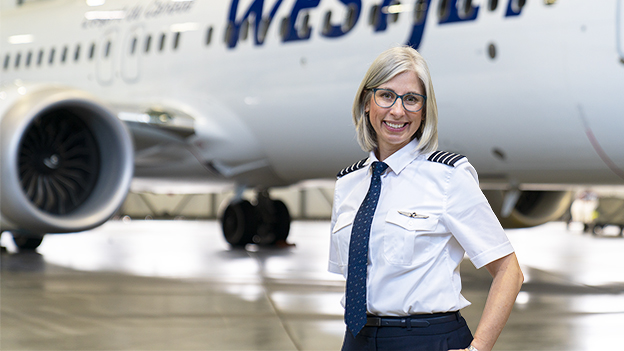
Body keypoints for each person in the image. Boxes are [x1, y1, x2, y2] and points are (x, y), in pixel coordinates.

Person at [328, 46, 524, 351]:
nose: (397, 111)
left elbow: (509, 271)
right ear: (367, 102)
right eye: (386, 95)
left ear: (424, 110)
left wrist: (479, 348)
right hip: (356, 339)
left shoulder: (448, 177)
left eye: (411, 99)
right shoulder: (348, 183)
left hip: (426, 339)